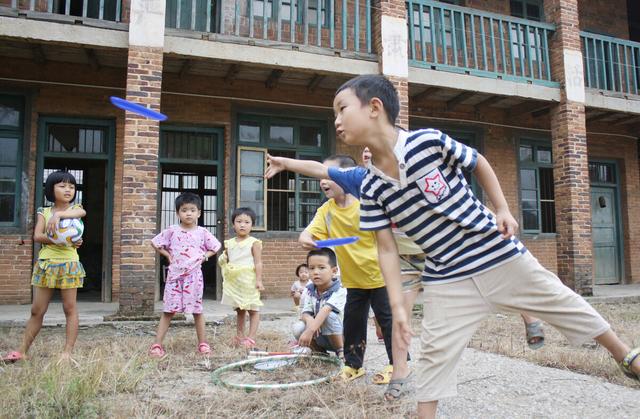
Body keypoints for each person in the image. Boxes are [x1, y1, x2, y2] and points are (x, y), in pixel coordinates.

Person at [300, 154, 396, 384]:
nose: (323, 180)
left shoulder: (367, 204)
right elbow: (309, 233)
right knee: (353, 324)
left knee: (388, 323)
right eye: (321, 175)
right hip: (353, 280)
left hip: (380, 275)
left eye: (328, 175)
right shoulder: (327, 210)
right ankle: (353, 365)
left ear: (347, 177)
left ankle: (397, 364)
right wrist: (306, 238)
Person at [1, 170, 86, 364]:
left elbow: (81, 213)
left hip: (69, 264)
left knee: (70, 308)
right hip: (46, 264)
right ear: (51, 188)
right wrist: (58, 239)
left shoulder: (76, 209)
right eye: (62, 186)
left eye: (71, 186)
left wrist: (61, 217)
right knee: (37, 310)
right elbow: (37, 236)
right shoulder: (44, 212)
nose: (68, 190)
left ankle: (67, 353)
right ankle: (22, 351)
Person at [149, 192, 221, 358]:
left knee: (197, 310)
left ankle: (203, 343)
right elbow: (155, 242)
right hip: (174, 277)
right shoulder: (172, 231)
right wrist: (167, 255)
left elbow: (215, 246)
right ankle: (157, 345)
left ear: (199, 213)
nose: (188, 213)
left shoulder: (202, 232)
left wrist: (204, 256)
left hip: (194, 277)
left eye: (192, 210)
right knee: (168, 311)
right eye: (184, 210)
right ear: (177, 213)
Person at [219, 207, 264, 349]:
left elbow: (258, 262)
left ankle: (250, 338)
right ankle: (239, 336)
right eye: (239, 221)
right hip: (236, 282)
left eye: (247, 222)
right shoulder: (229, 243)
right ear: (233, 224)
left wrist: (258, 280)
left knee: (253, 309)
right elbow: (226, 259)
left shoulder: (254, 242)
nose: (242, 225)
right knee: (239, 309)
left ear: (252, 225)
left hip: (249, 280)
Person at [291, 248, 346, 359]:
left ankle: (341, 352)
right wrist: (309, 320)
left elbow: (326, 310)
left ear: (334, 271)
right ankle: (320, 353)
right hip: (320, 333)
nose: (315, 272)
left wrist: (310, 330)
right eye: (311, 268)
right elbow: (305, 312)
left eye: (321, 268)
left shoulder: (340, 290)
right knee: (298, 327)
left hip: (342, 336)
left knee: (328, 316)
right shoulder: (310, 290)